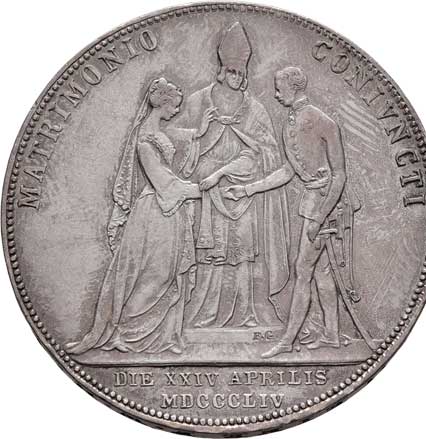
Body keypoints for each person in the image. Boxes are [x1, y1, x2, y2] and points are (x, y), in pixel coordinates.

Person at [226, 66, 358, 357]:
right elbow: (288, 171)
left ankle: (287, 340)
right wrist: (248, 189)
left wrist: (321, 216)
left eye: (279, 88)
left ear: (294, 87)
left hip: (326, 206)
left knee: (303, 270)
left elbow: (339, 175)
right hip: (312, 203)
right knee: (322, 272)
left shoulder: (323, 122)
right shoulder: (289, 123)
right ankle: (332, 336)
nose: (275, 94)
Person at [66, 77, 204, 355]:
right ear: (162, 103)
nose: (177, 110)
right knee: (155, 273)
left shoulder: (157, 132)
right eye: (175, 105)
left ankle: (165, 336)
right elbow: (163, 182)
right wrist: (203, 189)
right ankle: (126, 332)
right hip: (155, 212)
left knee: (168, 273)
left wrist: (200, 132)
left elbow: (175, 150)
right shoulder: (144, 139)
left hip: (169, 212)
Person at [177, 22, 290, 328]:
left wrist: (235, 169)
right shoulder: (199, 101)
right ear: (221, 70)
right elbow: (176, 145)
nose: (236, 78)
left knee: (242, 254)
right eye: (231, 72)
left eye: (241, 73)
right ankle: (202, 312)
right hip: (206, 191)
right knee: (210, 252)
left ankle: (247, 312)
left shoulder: (255, 108)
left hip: (242, 192)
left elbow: (268, 153)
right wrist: (198, 134)